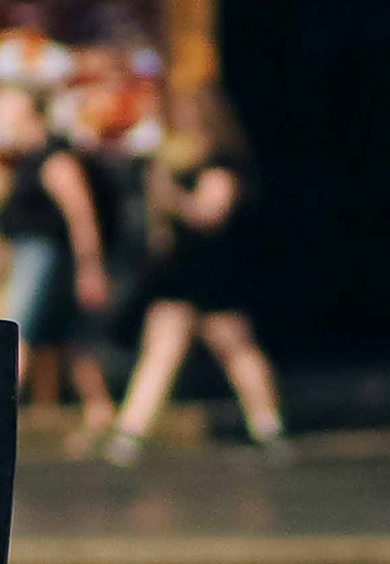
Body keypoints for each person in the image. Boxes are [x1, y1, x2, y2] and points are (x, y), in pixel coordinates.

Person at [103, 100, 286, 465]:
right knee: (162, 349)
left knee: (234, 347)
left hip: (212, 272)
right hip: (180, 274)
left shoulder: (220, 166)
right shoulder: (175, 164)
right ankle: (130, 432)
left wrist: (168, 192)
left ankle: (267, 426)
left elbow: (209, 215)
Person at [0, 86, 117, 446]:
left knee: (17, 333)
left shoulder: (54, 159)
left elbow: (81, 216)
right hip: (31, 255)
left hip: (45, 257)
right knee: (71, 340)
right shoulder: (25, 160)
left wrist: (90, 268)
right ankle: (101, 412)